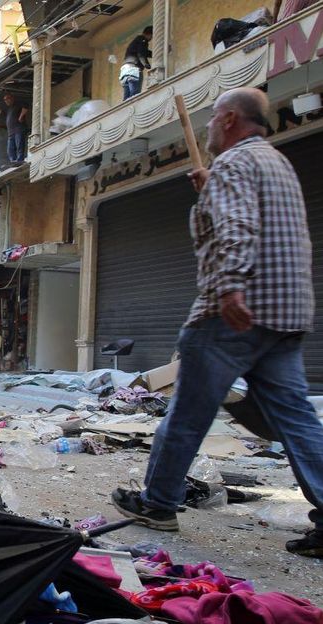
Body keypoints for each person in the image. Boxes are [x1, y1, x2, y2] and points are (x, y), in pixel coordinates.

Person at [111, 88, 323, 558]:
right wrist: (210, 196)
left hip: (232, 313)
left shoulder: (233, 165)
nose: (206, 127)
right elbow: (251, 220)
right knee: (297, 420)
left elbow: (238, 228)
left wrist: (229, 287)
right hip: (285, 313)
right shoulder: (275, 163)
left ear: (228, 119)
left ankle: (158, 503)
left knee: (187, 413)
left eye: (212, 119)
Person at [121, 26, 153, 100]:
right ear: (150, 34)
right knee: (135, 95)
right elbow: (141, 53)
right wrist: (146, 64)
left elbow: (145, 52)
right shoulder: (143, 40)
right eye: (152, 36)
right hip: (134, 69)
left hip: (125, 70)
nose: (151, 39)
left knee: (127, 96)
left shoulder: (136, 41)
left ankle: (126, 111)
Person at [1, 93, 29, 163]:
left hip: (18, 130)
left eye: (7, 99)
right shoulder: (9, 109)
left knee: (19, 145)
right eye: (5, 100)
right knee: (10, 149)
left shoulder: (17, 104)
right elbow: (2, 113)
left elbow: (25, 107)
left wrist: (20, 117)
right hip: (11, 133)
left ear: (12, 98)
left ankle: (20, 159)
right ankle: (13, 161)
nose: (6, 101)